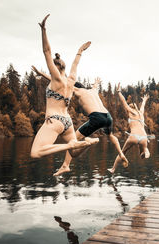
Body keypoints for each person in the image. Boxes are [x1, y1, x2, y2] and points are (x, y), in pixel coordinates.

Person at [31, 68, 128, 176]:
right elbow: (95, 86)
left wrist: (41, 74)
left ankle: (66, 165)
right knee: (111, 135)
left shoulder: (77, 90)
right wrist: (96, 83)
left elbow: (60, 82)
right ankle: (121, 154)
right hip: (108, 116)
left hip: (97, 117)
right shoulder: (92, 91)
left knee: (73, 140)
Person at [30, 14, 98, 159]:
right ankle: (87, 144)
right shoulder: (71, 79)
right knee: (74, 154)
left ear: (55, 67)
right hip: (67, 122)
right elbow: (75, 63)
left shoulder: (56, 78)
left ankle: (70, 144)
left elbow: (46, 51)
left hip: (54, 120)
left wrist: (43, 30)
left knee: (35, 153)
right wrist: (80, 50)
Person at [108, 83, 151, 173]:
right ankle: (145, 150)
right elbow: (142, 106)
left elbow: (124, 102)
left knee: (122, 152)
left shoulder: (131, 112)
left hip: (133, 136)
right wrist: (144, 100)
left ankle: (113, 169)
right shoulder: (140, 113)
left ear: (131, 108)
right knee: (141, 153)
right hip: (143, 137)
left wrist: (119, 92)